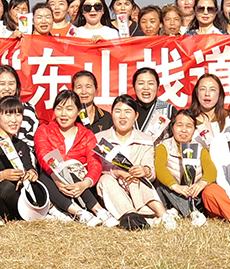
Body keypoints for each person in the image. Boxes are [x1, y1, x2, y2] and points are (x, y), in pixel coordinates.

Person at [32, 91, 110, 224]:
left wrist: (85, 183)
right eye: (59, 108)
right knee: (45, 176)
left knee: (70, 171)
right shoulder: (43, 130)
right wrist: (58, 179)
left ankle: (98, 210)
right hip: (53, 181)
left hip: (81, 183)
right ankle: (80, 212)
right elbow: (44, 155)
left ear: (79, 111)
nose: (63, 114)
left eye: (69, 109)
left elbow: (95, 163)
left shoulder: (87, 135)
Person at [94, 96, 164, 228]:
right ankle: (131, 215)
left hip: (137, 186)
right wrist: (117, 172)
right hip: (113, 189)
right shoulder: (100, 139)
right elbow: (97, 169)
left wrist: (145, 170)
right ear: (112, 113)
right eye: (118, 111)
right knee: (105, 180)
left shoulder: (146, 139)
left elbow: (151, 170)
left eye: (127, 112)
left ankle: (163, 215)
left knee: (140, 178)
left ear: (136, 116)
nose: (122, 116)